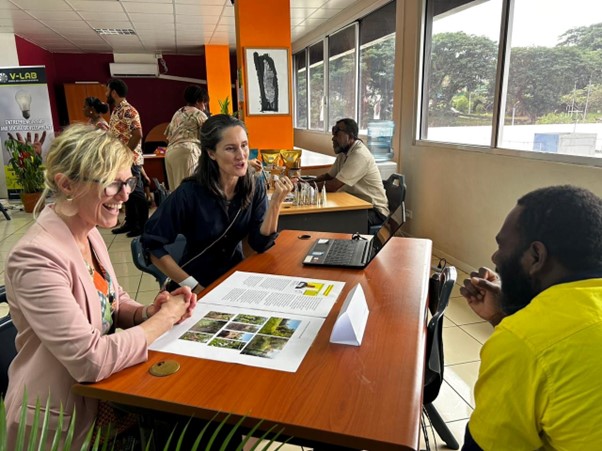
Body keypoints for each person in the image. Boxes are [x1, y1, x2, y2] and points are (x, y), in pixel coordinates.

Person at [3, 124, 196, 448]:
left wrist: (147, 311)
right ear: (66, 184)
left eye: (127, 181)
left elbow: (112, 299)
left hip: (103, 404)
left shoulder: (88, 229)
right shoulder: (35, 258)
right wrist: (165, 319)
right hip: (58, 422)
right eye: (111, 184)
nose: (125, 195)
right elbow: (90, 360)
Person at [459, 185, 602, 450]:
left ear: (536, 256)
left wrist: (515, 330)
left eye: (501, 245)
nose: (495, 257)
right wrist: (502, 316)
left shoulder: (522, 342)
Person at [141, 114, 294, 295]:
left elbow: (259, 244)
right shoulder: (189, 193)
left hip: (234, 281)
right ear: (211, 153)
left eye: (244, 145)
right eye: (231, 148)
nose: (241, 155)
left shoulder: (255, 185)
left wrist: (275, 203)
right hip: (193, 285)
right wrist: (194, 287)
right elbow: (152, 245)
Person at [313, 118, 389, 228]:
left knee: (328, 221)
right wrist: (304, 182)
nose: (333, 139)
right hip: (356, 205)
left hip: (374, 211)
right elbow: (328, 177)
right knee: (324, 216)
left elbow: (333, 185)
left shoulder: (359, 155)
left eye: (337, 134)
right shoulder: (344, 153)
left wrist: (301, 186)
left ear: (351, 135)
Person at [106, 78, 149, 237]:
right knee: (127, 192)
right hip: (121, 159)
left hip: (130, 159)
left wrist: (126, 154)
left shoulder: (129, 110)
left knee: (136, 193)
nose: (105, 94)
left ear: (114, 92)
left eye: (107, 90)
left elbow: (138, 134)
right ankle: (131, 223)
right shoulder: (117, 110)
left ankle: (144, 226)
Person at [164, 85, 209, 190]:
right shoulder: (199, 114)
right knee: (189, 190)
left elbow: (168, 136)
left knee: (176, 191)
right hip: (187, 152)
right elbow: (209, 136)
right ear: (199, 101)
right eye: (204, 103)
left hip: (170, 153)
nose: (204, 107)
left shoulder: (178, 113)